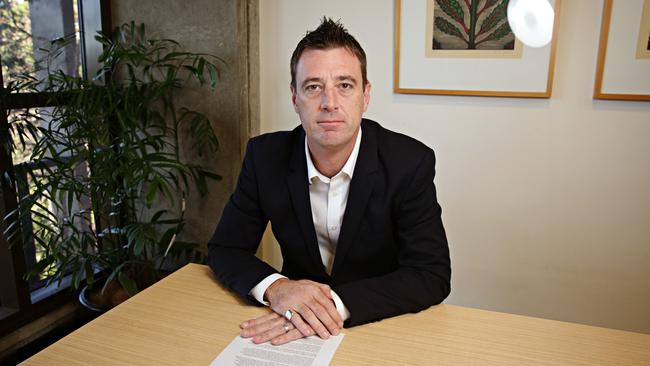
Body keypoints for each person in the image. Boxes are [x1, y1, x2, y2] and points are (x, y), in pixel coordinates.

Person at [208, 17, 451, 346]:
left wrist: (332, 307)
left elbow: (430, 274)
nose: (329, 102)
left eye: (345, 85)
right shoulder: (264, 157)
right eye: (313, 87)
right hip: (291, 319)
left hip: (380, 323)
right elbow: (226, 248)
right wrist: (277, 288)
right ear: (295, 97)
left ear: (365, 96)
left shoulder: (409, 163)